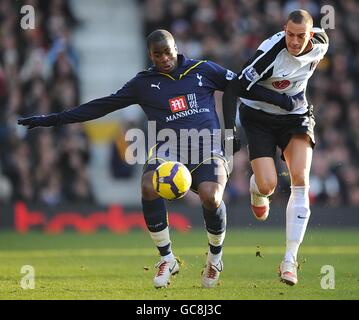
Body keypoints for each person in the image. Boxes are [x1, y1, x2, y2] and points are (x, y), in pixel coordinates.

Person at [18, 29, 295, 289]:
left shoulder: (203, 70)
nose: (163, 58)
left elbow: (241, 85)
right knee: (148, 185)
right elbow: (102, 105)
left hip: (207, 147)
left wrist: (279, 100)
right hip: (168, 151)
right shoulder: (143, 83)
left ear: (176, 48)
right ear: (150, 55)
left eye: (167, 52)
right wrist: (52, 119)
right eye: (156, 54)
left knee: (211, 196)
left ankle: (214, 259)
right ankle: (166, 258)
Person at [222, 10, 329, 286]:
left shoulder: (322, 43)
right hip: (258, 118)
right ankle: (257, 189)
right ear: (284, 30)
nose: (294, 41)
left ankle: (290, 260)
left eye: (300, 36)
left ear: (310, 33)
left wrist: (291, 104)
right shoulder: (270, 53)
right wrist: (279, 100)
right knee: (268, 184)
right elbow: (236, 86)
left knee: (301, 178)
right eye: (290, 35)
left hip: (296, 117)